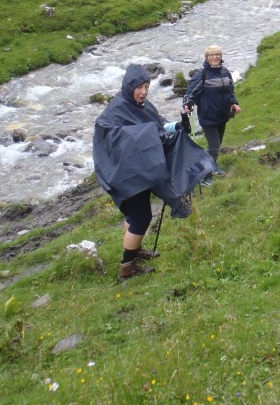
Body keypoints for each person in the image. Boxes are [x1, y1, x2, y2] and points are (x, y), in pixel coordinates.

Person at [93, 64, 217, 280]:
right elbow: (115, 138)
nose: (143, 92)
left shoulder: (141, 105)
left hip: (139, 171)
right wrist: (149, 135)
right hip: (123, 174)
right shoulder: (115, 111)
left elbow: (157, 124)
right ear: (128, 86)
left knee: (134, 215)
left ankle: (136, 250)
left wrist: (176, 126)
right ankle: (127, 268)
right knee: (141, 216)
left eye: (146, 86)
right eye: (138, 87)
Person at [183, 45, 241, 175]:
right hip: (208, 116)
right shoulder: (202, 75)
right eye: (211, 55)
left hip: (222, 116)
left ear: (221, 57)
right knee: (214, 147)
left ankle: (207, 168)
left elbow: (230, 92)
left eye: (217, 55)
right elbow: (191, 93)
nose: (215, 57)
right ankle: (208, 172)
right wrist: (188, 104)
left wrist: (234, 103)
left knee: (216, 145)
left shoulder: (225, 72)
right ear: (207, 58)